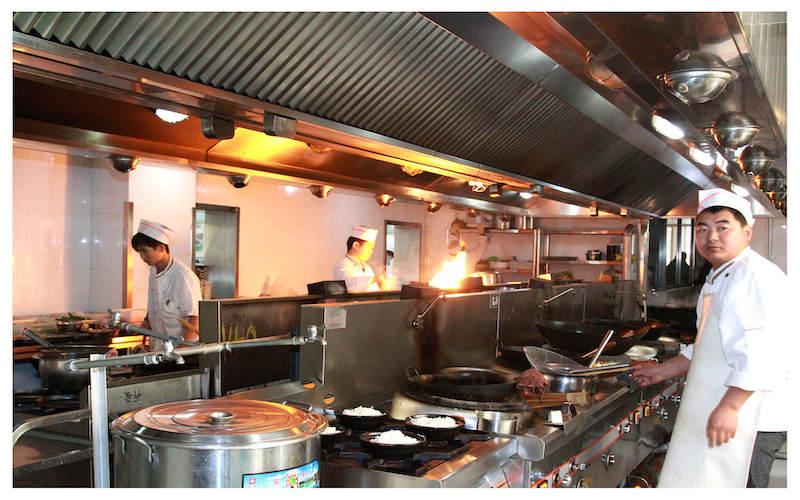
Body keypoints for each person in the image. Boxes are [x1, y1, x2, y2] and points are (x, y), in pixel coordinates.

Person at [631, 188, 788, 487]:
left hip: (752, 415)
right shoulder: (720, 275)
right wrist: (662, 371)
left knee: (742, 485)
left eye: (722, 228)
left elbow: (761, 353)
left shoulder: (753, 276)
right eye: (702, 229)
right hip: (730, 404)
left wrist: (730, 407)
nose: (711, 237)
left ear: (747, 232)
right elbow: (708, 345)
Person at [132, 219, 202, 351]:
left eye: (144, 251)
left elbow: (195, 317)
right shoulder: (153, 271)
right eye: (139, 252)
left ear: (161, 248)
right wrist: (146, 326)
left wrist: (183, 347)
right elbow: (154, 305)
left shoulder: (183, 275)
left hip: (181, 348)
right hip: (159, 346)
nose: (142, 256)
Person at [333, 225, 388, 292]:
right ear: (356, 245)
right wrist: (374, 279)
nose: (371, 251)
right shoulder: (342, 265)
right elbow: (349, 284)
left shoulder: (366, 267)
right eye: (369, 247)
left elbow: (374, 289)